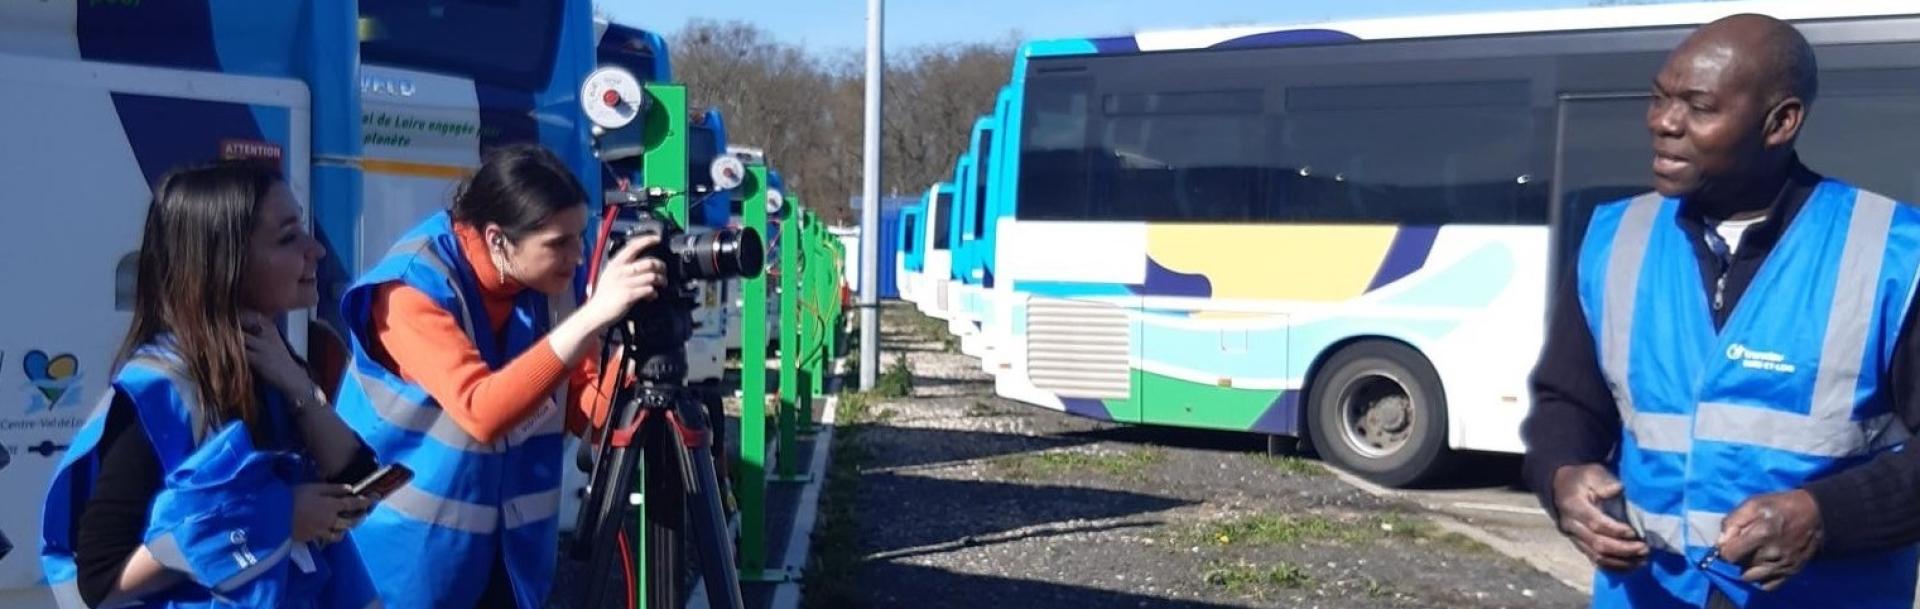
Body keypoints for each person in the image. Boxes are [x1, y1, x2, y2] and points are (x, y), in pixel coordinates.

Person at [1523, 13, 1920, 609]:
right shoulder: (1615, 238)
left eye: (1698, 107)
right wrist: (1561, 476)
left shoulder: (1894, 254)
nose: (1662, 122)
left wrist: (1826, 516)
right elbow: (1567, 401)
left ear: (1780, 122)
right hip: (1647, 595)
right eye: (1658, 99)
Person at [334, 143, 666, 609]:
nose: (578, 257)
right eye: (558, 243)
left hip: (510, 562)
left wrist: (638, 353)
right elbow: (481, 412)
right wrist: (592, 319)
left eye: (580, 237)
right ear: (497, 240)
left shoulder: (550, 285)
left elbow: (584, 410)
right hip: (406, 564)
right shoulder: (411, 288)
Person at [40, 160, 383, 609]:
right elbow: (101, 578)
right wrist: (278, 519)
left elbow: (360, 486)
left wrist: (299, 388)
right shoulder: (162, 390)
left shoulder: (273, 363)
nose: (315, 249)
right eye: (287, 237)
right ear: (226, 264)